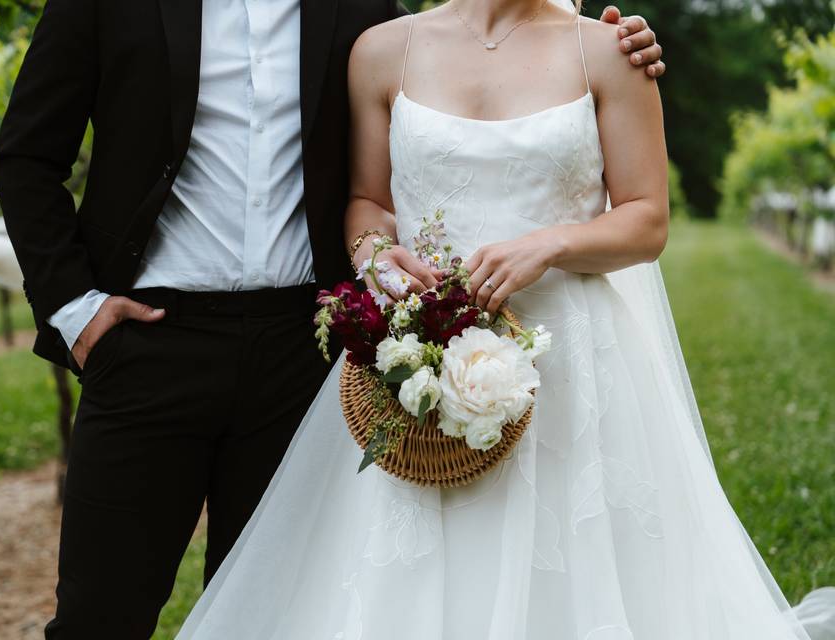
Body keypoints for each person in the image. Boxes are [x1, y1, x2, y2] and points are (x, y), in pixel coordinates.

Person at [0, 0, 667, 637]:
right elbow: (24, 154)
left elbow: (465, 78)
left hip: (302, 356)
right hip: (148, 343)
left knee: (279, 612)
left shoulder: (363, 10)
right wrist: (77, 312)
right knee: (97, 615)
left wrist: (616, 43)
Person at [174, 1, 833, 638]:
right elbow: (367, 201)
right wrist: (379, 261)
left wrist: (551, 244)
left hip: (574, 364)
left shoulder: (607, 50)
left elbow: (646, 219)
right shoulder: (381, 51)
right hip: (422, 352)